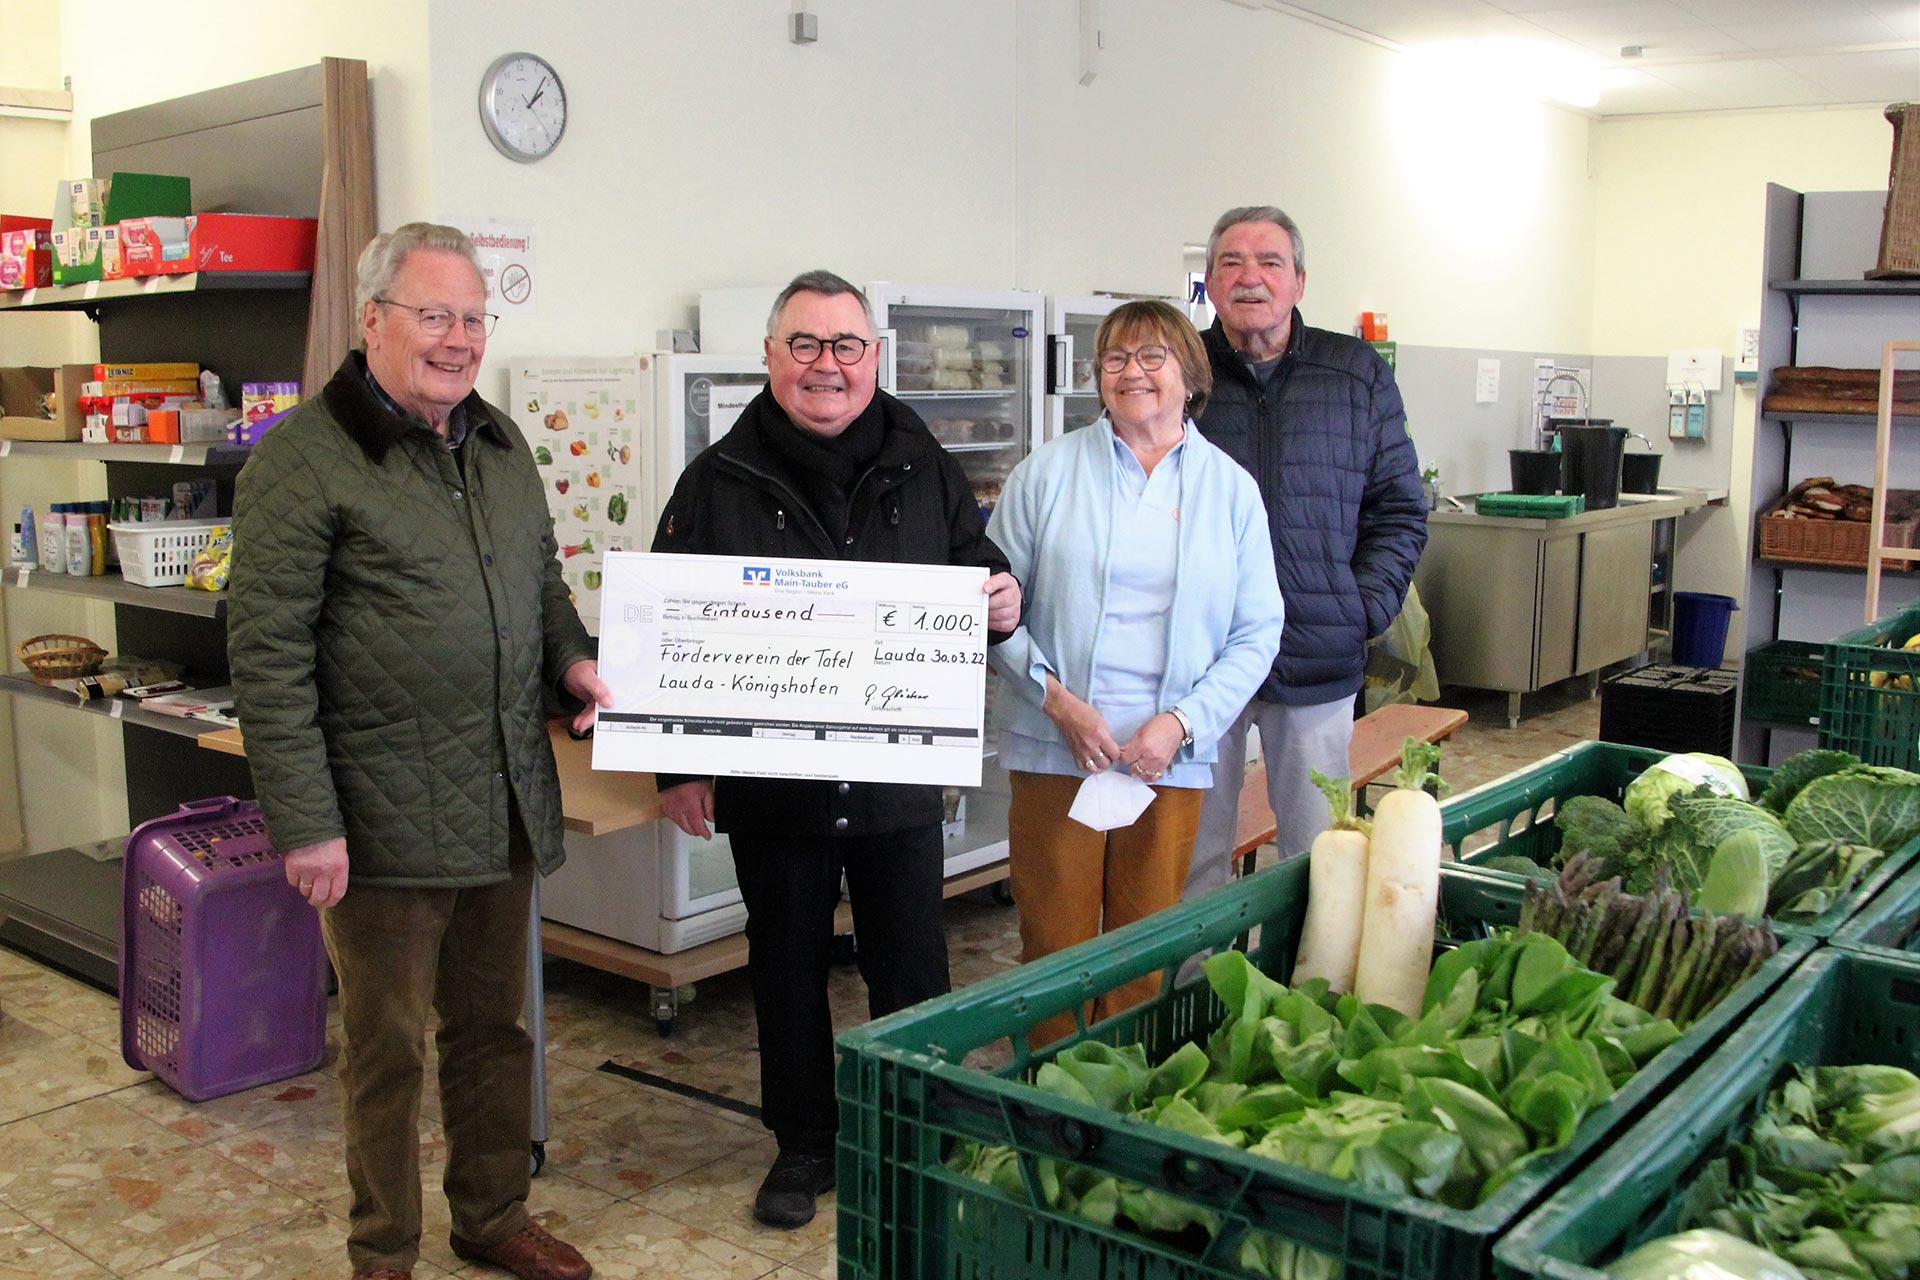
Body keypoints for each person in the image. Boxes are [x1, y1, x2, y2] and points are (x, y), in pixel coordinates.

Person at [229, 222, 609, 1280]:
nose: (459, 338)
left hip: (500, 797)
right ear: (372, 319)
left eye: (474, 318)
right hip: (379, 818)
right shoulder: (304, 458)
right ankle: (383, 1252)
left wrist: (573, 661)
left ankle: (491, 1215)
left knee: (495, 1029)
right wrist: (307, 823)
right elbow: (268, 657)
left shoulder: (498, 442)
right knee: (387, 1051)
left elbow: (539, 588)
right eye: (434, 314)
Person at [650, 270, 1022, 1230]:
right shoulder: (716, 480)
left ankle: (913, 1132)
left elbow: (975, 568)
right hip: (774, 782)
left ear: (874, 356)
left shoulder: (923, 463)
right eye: (806, 345)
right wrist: (678, 765)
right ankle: (805, 1143)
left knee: (912, 963)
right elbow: (670, 631)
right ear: (771, 357)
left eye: (846, 345)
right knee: (784, 966)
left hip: (898, 773)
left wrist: (1003, 599)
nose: (828, 365)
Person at [986, 300, 1283, 1049]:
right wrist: (1059, 704)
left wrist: (1181, 724)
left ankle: (1127, 1090)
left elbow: (1257, 632)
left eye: (1153, 357)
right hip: (1057, 746)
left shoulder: (1230, 490)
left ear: (1190, 375)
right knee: (1053, 945)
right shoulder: (1045, 475)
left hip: (1165, 759)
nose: (1132, 373)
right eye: (1115, 359)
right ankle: (1050, 1085)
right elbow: (992, 611)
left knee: (1144, 946)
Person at [1187, 205, 1428, 901]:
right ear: (1209, 282)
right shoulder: (1181, 371)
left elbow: (1400, 507)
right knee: (1192, 859)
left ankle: (1306, 972)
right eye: (1231, 262)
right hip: (1198, 657)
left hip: (1317, 651)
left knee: (1322, 854)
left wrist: (1361, 609)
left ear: (1298, 280)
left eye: (1270, 262)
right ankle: (1195, 972)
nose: (1250, 277)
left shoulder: (1354, 373)